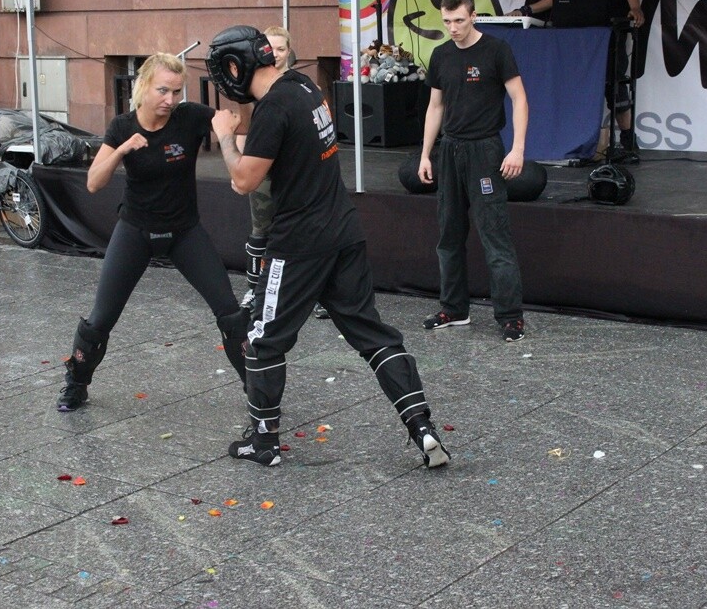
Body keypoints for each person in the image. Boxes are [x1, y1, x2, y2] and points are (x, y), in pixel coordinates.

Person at [207, 25, 450, 469]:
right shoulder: (303, 86)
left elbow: (243, 181)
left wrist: (225, 134)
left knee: (262, 340)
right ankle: (422, 427)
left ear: (236, 68)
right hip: (343, 230)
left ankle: (264, 442)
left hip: (300, 242)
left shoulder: (273, 108)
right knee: (372, 335)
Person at [56, 53, 248, 412]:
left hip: (185, 231)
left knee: (230, 312)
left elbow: (231, 120)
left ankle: (258, 389)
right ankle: (76, 384)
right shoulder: (122, 126)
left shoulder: (189, 117)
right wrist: (123, 149)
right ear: (143, 86)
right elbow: (94, 183)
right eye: (163, 90)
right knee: (100, 319)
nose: (170, 100)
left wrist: (229, 135)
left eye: (176, 91)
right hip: (136, 230)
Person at [418, 0, 528, 343]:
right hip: (451, 149)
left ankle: (510, 316)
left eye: (459, 20)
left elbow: (519, 99)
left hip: (485, 150)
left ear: (473, 16)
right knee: (448, 234)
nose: (453, 28)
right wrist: (425, 154)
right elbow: (435, 107)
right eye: (447, 21)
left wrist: (517, 149)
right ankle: (454, 309)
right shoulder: (441, 54)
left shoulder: (496, 50)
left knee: (494, 235)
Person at [236, 26, 330, 321]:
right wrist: (242, 161)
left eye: (280, 49)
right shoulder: (251, 85)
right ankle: (255, 290)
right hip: (263, 170)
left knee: (310, 231)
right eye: (269, 49)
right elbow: (243, 130)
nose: (274, 54)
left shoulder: (301, 85)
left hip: (298, 171)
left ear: (289, 51)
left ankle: (321, 294)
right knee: (261, 229)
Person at [570, 0, 645, 162]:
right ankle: (582, 140)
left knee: (615, 81)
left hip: (606, 32)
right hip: (580, 33)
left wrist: (635, 8)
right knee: (582, 84)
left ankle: (628, 140)